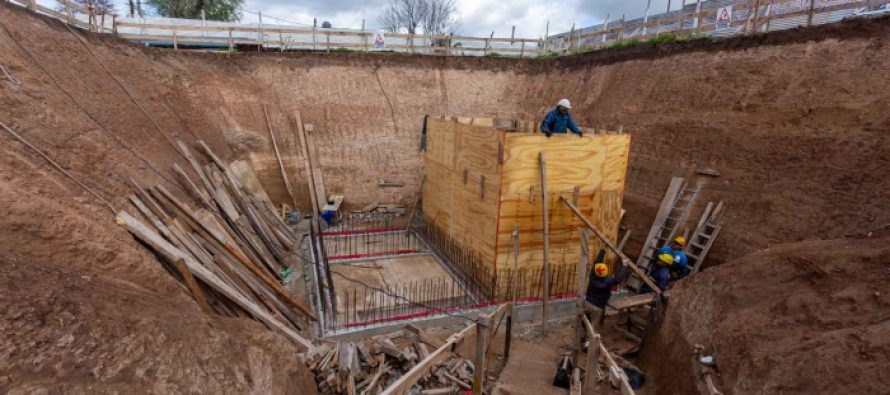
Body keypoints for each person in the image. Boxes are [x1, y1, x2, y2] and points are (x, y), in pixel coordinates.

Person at [585, 249, 628, 326]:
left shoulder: (593, 276)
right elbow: (618, 278)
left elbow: (597, 262)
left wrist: (602, 251)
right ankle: (588, 338)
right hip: (598, 307)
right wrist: (624, 266)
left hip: (587, 303)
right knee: (592, 326)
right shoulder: (608, 281)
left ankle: (582, 333)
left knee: (585, 321)